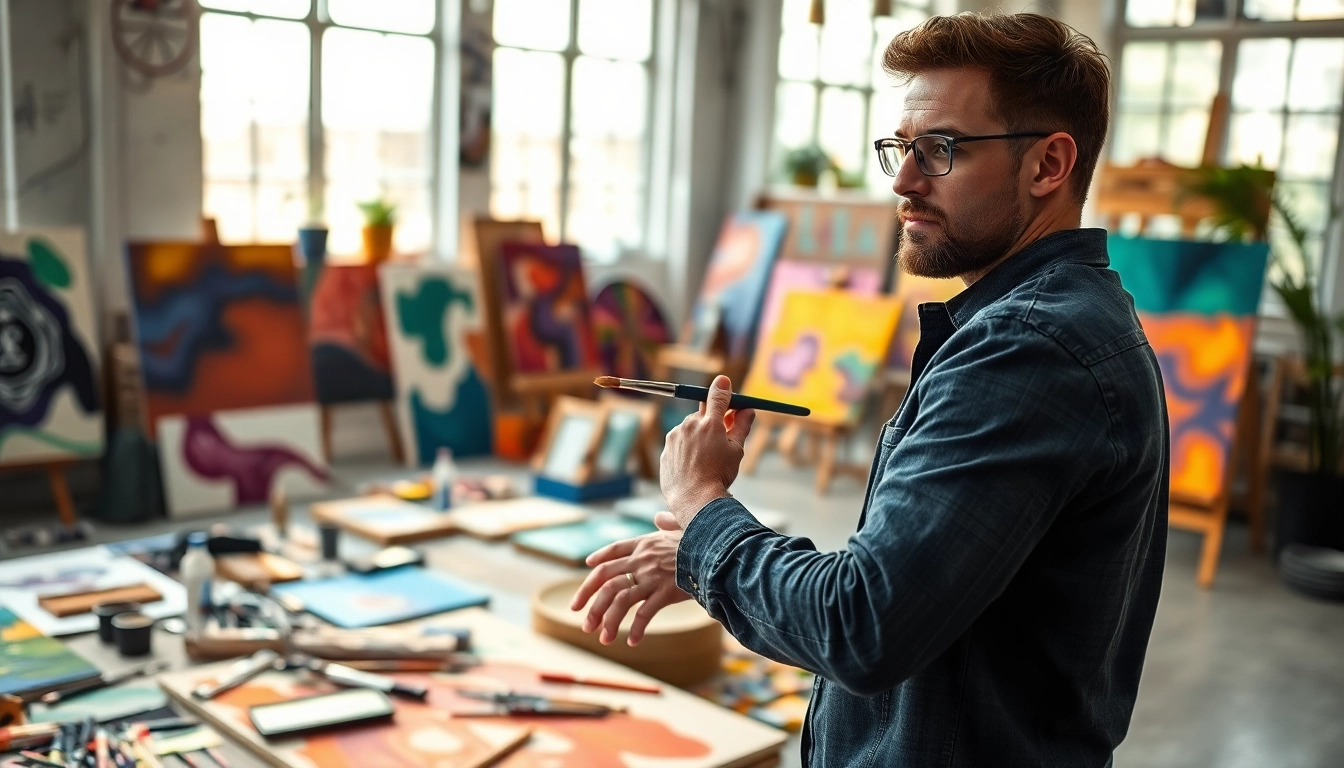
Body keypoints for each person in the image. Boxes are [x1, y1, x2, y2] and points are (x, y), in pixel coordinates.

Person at [571, 12, 1168, 768]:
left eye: (941, 149)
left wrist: (702, 511)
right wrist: (702, 558)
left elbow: (860, 626)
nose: (903, 182)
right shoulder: (1056, 323)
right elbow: (912, 577)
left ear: (1048, 165)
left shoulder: (1028, 352)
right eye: (900, 148)